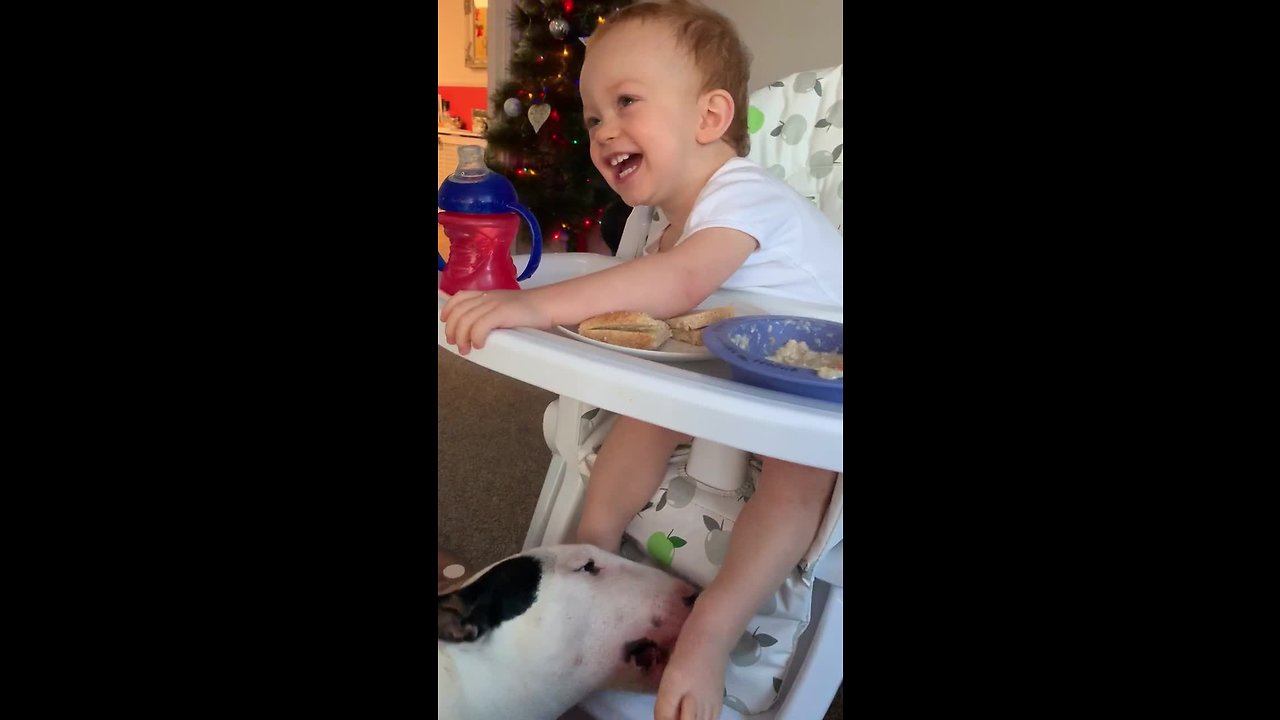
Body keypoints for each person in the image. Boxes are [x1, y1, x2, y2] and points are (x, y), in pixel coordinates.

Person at [441, 2, 841, 718]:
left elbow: (678, 286)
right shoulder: (665, 220)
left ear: (711, 117)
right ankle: (585, 555)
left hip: (817, 380)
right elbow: (650, 308)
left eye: (626, 102)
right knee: (643, 412)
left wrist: (533, 308)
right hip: (739, 365)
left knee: (797, 482)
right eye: (594, 116)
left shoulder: (743, 195)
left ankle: (711, 633)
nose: (603, 131)